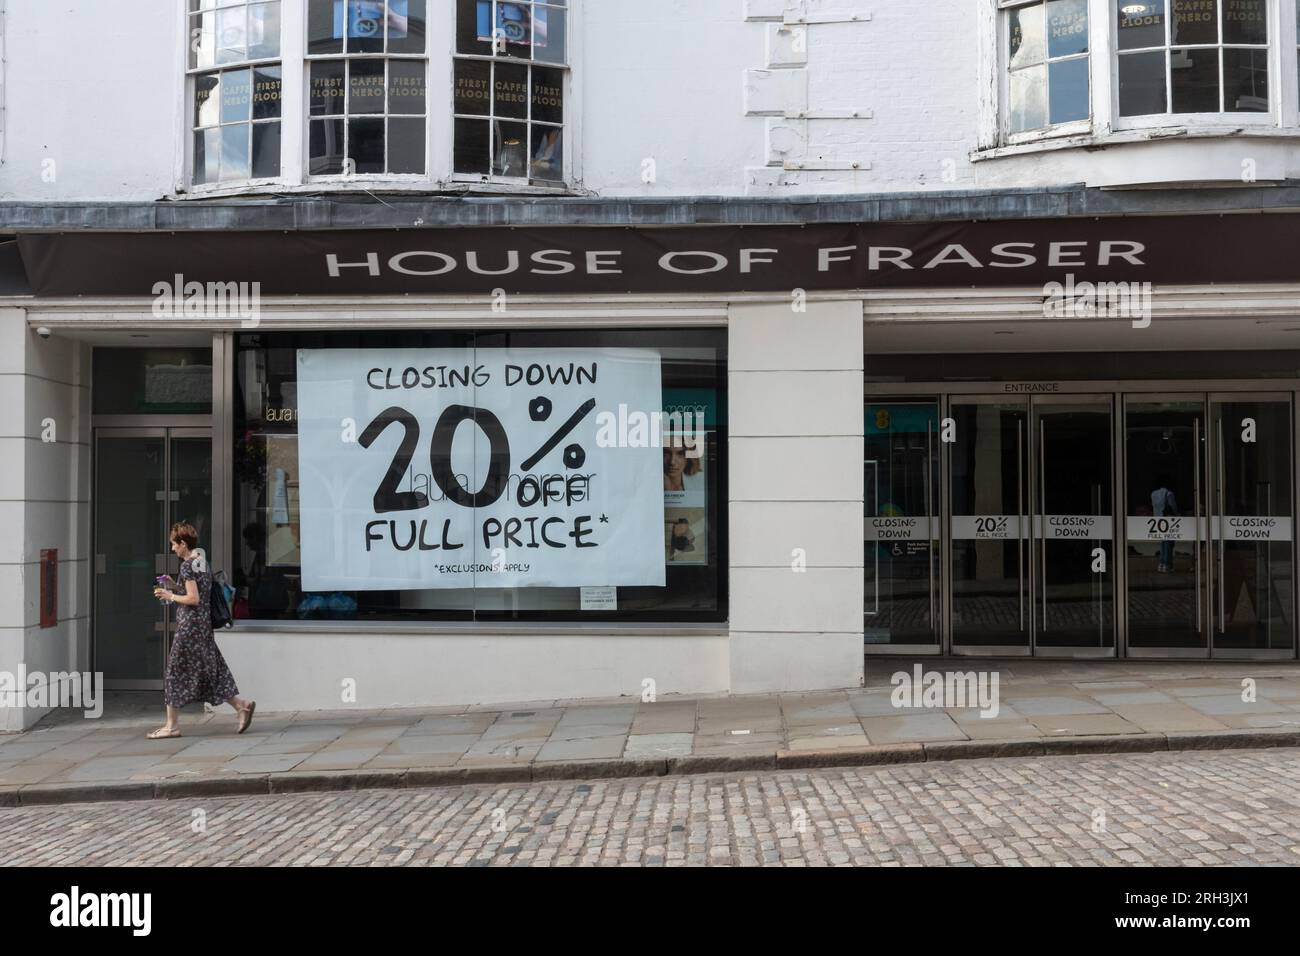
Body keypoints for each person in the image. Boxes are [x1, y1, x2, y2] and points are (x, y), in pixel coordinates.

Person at [148, 521, 256, 739]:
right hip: (203, 626)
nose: (172, 549)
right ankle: (241, 706)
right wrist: (174, 585)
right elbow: (196, 592)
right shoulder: (201, 562)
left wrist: (170, 595)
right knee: (211, 671)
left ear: (183, 543)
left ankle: (172, 726)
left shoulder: (187, 566)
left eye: (173, 544)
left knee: (174, 672)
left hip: (190, 628)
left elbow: (193, 598)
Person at [1151, 477, 1178, 573]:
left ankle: (1161, 564)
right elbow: (1173, 507)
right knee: (1168, 543)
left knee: (1162, 542)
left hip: (1157, 520)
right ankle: (1167, 564)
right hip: (1167, 521)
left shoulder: (1153, 494)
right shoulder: (1169, 493)